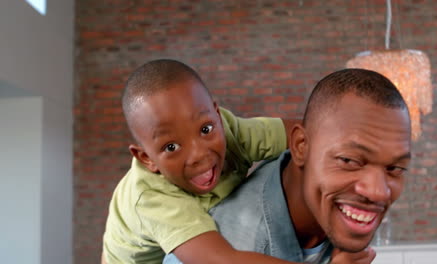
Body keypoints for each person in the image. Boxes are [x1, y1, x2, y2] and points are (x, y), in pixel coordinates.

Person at [164, 68, 412, 264]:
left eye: (394, 169)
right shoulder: (236, 240)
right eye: (349, 161)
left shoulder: (334, 202)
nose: (379, 192)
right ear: (301, 147)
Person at [102, 59, 303, 264]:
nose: (198, 154)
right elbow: (221, 260)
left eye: (205, 129)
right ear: (147, 159)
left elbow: (301, 135)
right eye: (171, 147)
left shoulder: (229, 130)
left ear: (217, 115)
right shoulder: (150, 197)